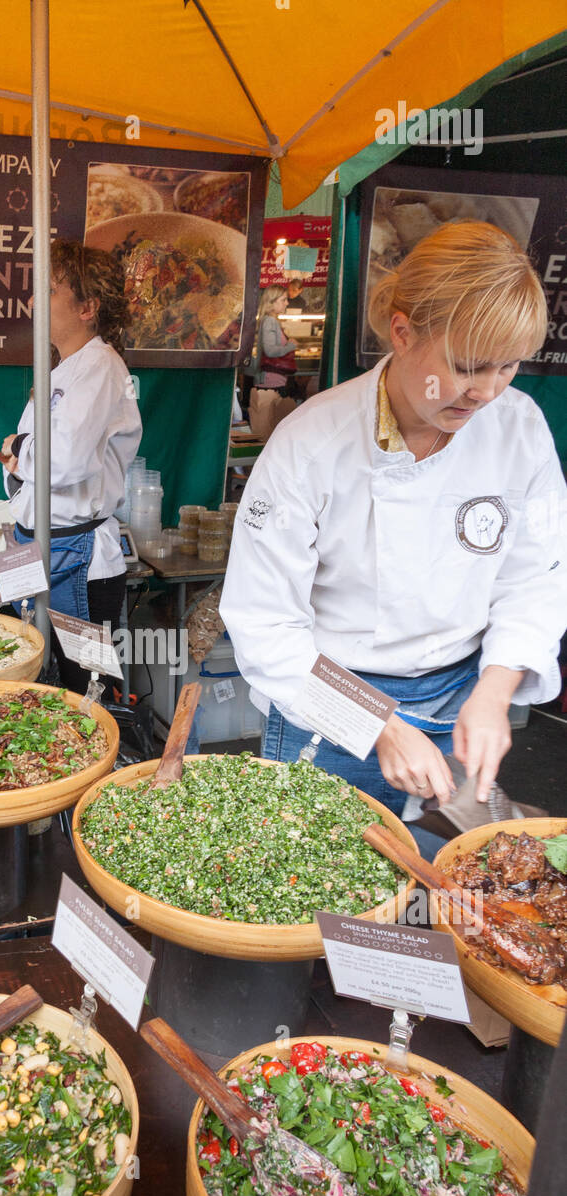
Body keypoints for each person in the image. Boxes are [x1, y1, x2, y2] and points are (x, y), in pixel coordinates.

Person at [220, 220, 567, 844]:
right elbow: (264, 623)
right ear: (403, 332)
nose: (487, 392)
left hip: (462, 697)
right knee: (316, 878)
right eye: (467, 366)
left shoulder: (519, 427)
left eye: (509, 367)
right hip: (330, 702)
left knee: (446, 878)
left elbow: (537, 576)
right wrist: (377, 724)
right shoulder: (311, 443)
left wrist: (496, 691)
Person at [0, 239, 143, 692]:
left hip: (78, 558)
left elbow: (66, 460)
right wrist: (20, 461)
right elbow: (34, 464)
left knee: (87, 694)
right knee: (32, 681)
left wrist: (21, 447)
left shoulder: (100, 366)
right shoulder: (63, 369)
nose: (32, 301)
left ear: (87, 308)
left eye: (49, 290)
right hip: (34, 547)